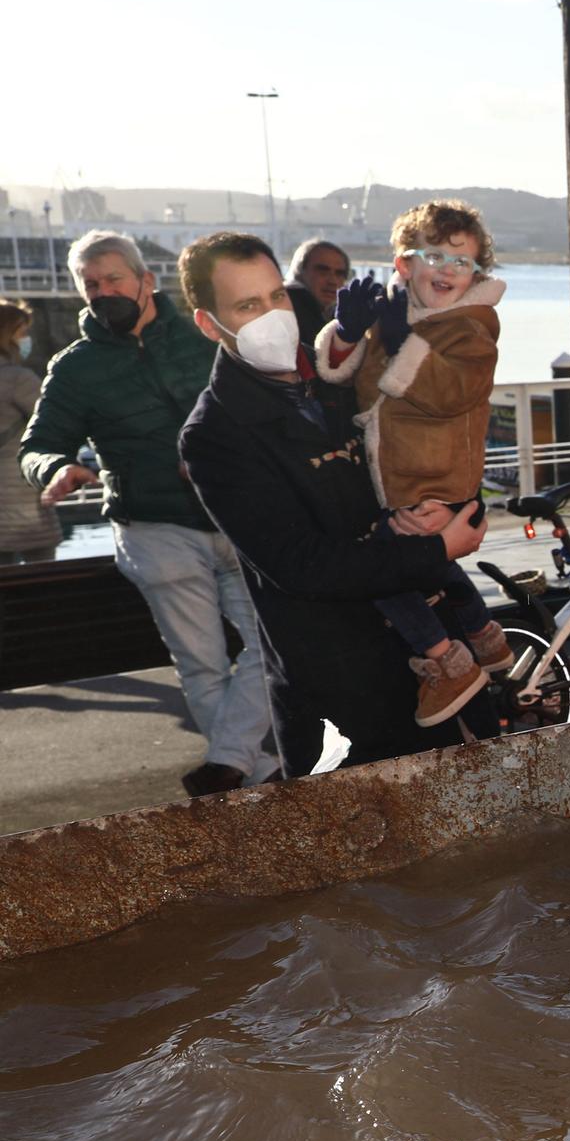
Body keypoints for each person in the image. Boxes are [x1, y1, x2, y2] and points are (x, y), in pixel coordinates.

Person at [176, 231, 493, 777]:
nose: (272, 315)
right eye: (247, 305)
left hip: (438, 655)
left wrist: (448, 507)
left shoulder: (341, 374)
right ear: (209, 324)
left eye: (276, 296)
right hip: (343, 683)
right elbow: (301, 567)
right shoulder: (214, 436)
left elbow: (431, 441)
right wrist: (438, 547)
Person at [18, 230, 278, 796]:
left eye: (113, 279)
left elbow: (260, 404)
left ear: (146, 280)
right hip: (153, 528)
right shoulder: (74, 368)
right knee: (203, 667)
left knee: (272, 642)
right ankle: (254, 774)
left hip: (236, 518)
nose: (102, 291)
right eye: (90, 284)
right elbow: (36, 445)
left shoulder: (203, 335)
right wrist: (56, 467)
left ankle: (235, 766)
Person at [313, 199, 509, 727]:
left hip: (437, 481)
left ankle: (448, 660)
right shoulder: (394, 316)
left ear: (475, 273)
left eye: (461, 261)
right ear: (404, 264)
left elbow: (449, 393)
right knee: (425, 563)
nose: (447, 269)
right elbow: (339, 376)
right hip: (399, 480)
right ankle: (484, 636)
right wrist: (350, 333)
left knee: (380, 570)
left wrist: (405, 344)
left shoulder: (473, 327)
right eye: (434, 255)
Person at [0, 302, 62, 563]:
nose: (26, 340)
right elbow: (54, 422)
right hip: (21, 502)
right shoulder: (18, 379)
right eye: (22, 332)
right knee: (42, 577)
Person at [285, 238, 352, 347]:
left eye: (339, 274)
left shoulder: (330, 312)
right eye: (322, 271)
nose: (332, 281)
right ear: (299, 270)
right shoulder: (290, 307)